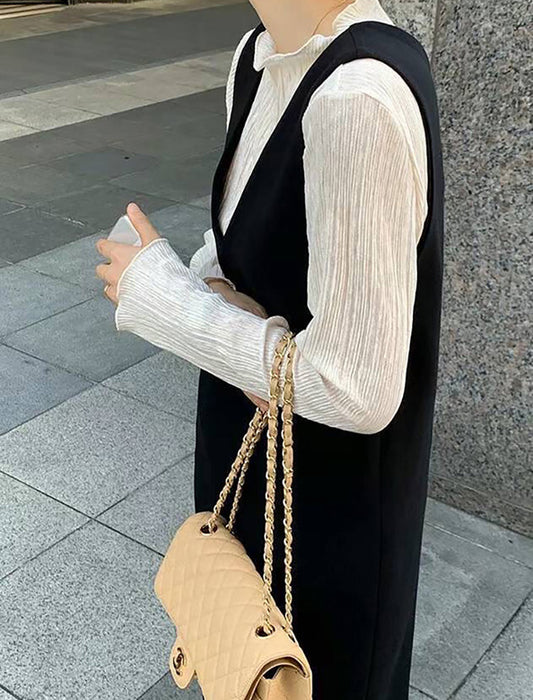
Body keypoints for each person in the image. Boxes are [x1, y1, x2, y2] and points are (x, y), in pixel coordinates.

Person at [95, 0, 445, 697]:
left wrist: (160, 299)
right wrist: (217, 290)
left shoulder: (357, 97)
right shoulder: (257, 57)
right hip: (248, 450)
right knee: (236, 663)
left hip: (326, 511)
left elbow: (357, 389)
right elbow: (237, 246)